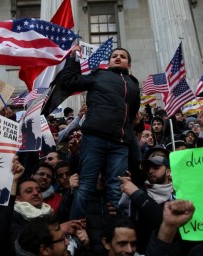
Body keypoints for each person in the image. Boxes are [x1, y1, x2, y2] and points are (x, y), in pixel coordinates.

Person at [58, 45, 141, 220]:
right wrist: (73, 59)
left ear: (129, 65)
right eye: (114, 56)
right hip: (95, 139)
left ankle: (120, 233)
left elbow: (132, 113)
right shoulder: (99, 75)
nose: (118, 58)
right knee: (86, 185)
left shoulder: (134, 84)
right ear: (109, 61)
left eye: (122, 56)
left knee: (116, 187)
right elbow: (68, 82)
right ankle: (74, 233)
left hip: (120, 143)